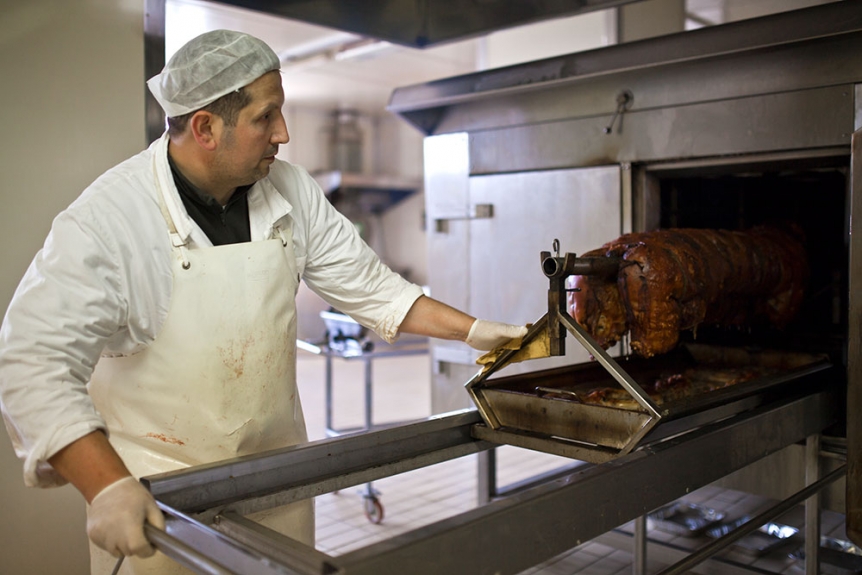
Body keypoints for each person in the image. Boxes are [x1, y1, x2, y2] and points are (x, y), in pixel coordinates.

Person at [0, 29, 526, 574]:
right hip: (160, 507)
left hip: (278, 488)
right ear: (205, 127)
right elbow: (32, 360)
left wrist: (473, 331)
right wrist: (107, 488)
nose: (285, 133)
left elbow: (373, 288)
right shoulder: (110, 219)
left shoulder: (291, 190)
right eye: (266, 117)